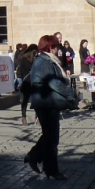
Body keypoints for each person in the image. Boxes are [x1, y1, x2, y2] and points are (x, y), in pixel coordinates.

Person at [24, 35, 77, 180]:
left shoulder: (46, 60)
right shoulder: (44, 62)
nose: (57, 49)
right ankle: (50, 169)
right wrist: (73, 94)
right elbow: (55, 83)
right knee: (52, 138)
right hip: (45, 103)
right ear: (50, 47)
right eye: (55, 46)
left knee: (50, 136)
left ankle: (37, 159)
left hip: (47, 102)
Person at [17, 44, 38, 125]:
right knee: (25, 100)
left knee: (36, 100)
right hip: (26, 82)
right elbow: (19, 72)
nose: (36, 54)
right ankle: (23, 117)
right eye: (35, 52)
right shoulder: (24, 60)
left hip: (35, 82)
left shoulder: (36, 60)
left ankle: (37, 117)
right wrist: (20, 82)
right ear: (32, 52)